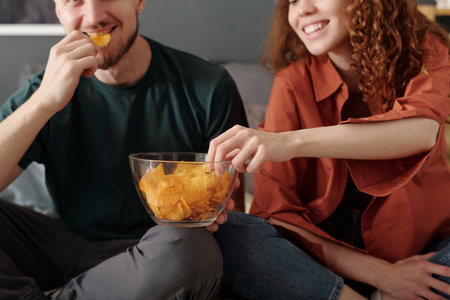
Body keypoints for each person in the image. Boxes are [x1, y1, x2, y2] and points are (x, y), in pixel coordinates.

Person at [0, 0, 248, 299]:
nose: (92, 16)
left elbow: (226, 213)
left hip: (154, 255)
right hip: (59, 246)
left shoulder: (208, 86)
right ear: (58, 11)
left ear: (139, 2)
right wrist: (45, 101)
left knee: (196, 250)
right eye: (74, 1)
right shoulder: (43, 91)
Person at [208, 0, 450, 299]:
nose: (302, 10)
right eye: (293, 1)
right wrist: (385, 276)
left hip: (423, 251)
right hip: (327, 265)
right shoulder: (292, 83)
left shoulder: (427, 48)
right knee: (232, 232)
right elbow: (277, 213)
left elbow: (423, 131)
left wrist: (289, 142)